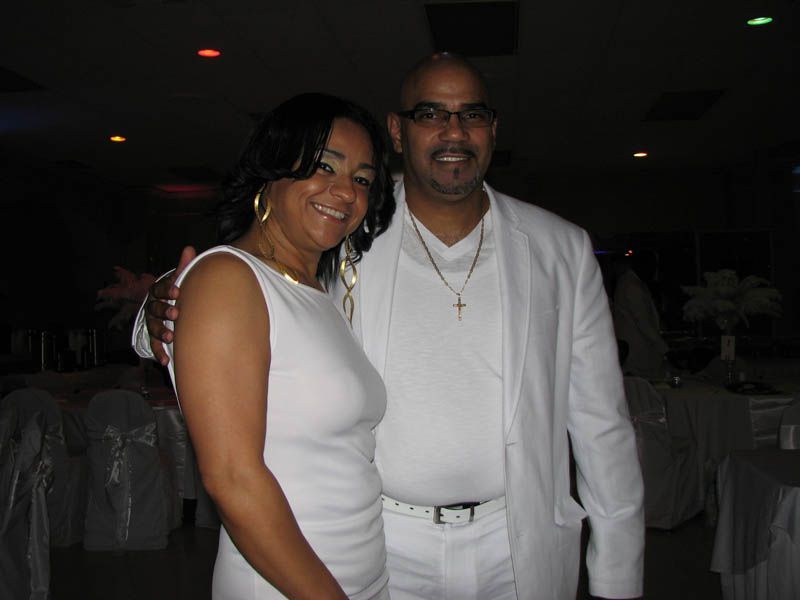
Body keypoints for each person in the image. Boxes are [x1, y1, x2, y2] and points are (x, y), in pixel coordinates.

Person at [135, 54, 644, 600]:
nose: (454, 131)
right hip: (387, 541)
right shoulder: (350, 229)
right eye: (431, 113)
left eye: (471, 114)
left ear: (493, 129)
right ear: (399, 132)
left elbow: (601, 423)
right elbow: (249, 281)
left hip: (520, 542)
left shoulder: (558, 248)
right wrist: (161, 304)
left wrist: (619, 577)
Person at [152, 92, 395, 599]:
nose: (345, 192)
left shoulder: (318, 291)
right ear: (272, 169)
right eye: (324, 167)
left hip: (359, 577)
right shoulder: (229, 278)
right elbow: (231, 478)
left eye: (363, 179)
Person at [612, 251, 669, 380]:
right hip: (638, 352)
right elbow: (643, 322)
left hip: (637, 351)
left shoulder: (632, 283)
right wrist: (664, 348)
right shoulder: (632, 286)